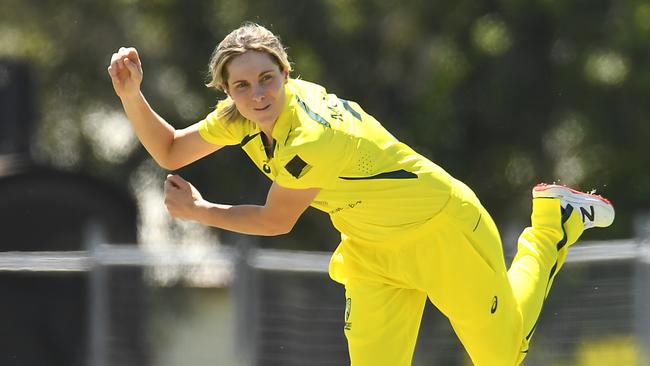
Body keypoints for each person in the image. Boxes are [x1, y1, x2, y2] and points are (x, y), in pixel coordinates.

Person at [107, 22, 615, 366]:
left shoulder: (310, 138)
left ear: (287, 73)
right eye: (242, 86)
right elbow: (171, 150)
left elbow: (274, 222)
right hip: (371, 254)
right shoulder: (240, 117)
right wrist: (132, 96)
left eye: (267, 79)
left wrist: (199, 211)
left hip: (439, 230)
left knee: (501, 357)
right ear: (226, 92)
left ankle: (552, 224)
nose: (257, 94)